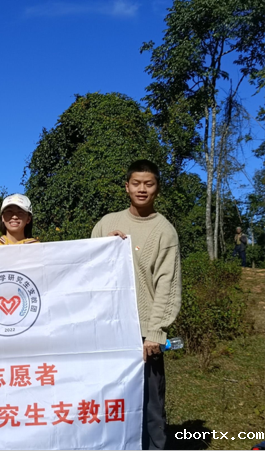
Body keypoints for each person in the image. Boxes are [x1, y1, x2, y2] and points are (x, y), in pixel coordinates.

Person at [91, 159, 181, 451]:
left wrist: (156, 332)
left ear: (157, 188)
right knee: (110, 402)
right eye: (136, 183)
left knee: (150, 407)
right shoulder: (106, 223)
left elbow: (167, 285)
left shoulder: (165, 231)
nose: (142, 189)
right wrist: (103, 247)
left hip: (144, 335)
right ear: (126, 187)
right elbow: (87, 270)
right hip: (110, 329)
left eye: (149, 184)